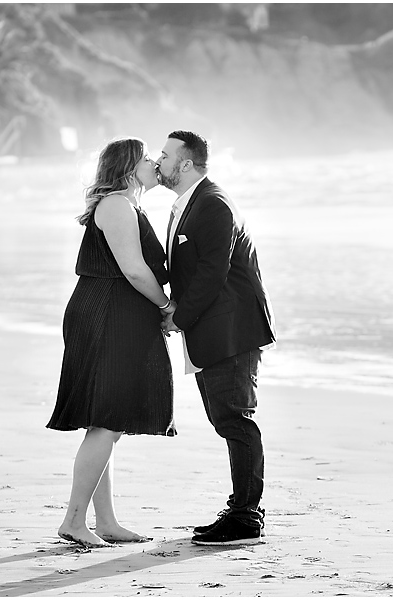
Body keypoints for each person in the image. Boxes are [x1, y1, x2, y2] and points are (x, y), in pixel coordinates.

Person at [47, 137, 176, 548]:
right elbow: (135, 271)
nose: (156, 164)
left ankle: (106, 521)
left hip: (114, 312)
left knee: (108, 422)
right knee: (106, 420)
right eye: (146, 159)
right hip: (107, 314)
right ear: (127, 168)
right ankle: (73, 520)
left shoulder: (126, 203)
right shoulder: (118, 204)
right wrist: (167, 307)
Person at [157, 130, 276, 546]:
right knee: (226, 419)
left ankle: (246, 516)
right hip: (214, 327)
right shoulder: (188, 204)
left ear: (186, 164)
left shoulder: (213, 204)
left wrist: (178, 316)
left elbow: (213, 273)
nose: (159, 161)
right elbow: (189, 270)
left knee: (235, 419)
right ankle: (244, 508)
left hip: (233, 328)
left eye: (166, 155)